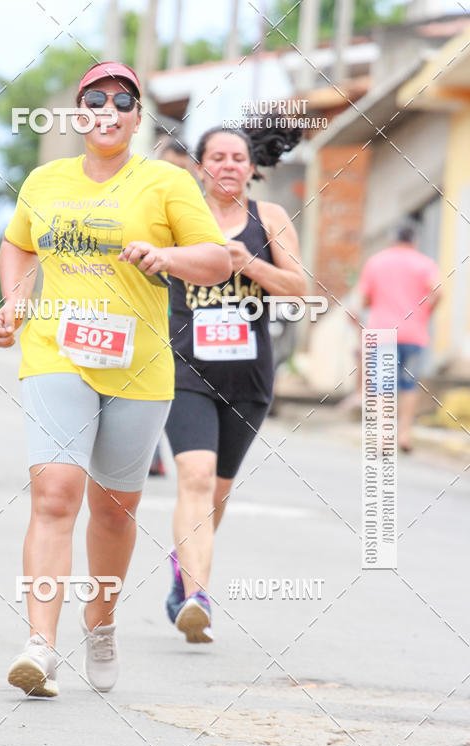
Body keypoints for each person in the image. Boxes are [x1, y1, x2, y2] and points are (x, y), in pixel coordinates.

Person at [0, 61, 231, 696]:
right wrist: (15, 301)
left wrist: (166, 255)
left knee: (114, 511)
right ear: (79, 113)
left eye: (123, 101)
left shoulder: (166, 183)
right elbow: (18, 245)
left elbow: (216, 260)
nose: (108, 110)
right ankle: (41, 645)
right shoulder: (45, 181)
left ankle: (100, 624)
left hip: (138, 365)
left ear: (137, 116)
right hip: (57, 353)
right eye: (95, 99)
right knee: (54, 494)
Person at [164, 124, 307, 642]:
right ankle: (198, 597)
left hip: (248, 376)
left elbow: (299, 289)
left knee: (217, 492)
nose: (228, 165)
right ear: (199, 166)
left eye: (237, 158)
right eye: (217, 157)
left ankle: (182, 570)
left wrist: (248, 263)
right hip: (186, 370)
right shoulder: (178, 216)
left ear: (251, 168)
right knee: (196, 477)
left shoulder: (269, 219)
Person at [358, 220, 441, 452]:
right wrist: (426, 313)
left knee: (383, 385)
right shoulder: (425, 263)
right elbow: (438, 291)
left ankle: (384, 437)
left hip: (383, 331)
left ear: (392, 239)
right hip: (413, 334)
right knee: (408, 385)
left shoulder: (376, 262)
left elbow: (364, 299)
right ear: (414, 240)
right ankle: (404, 435)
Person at [148, 137, 195, 478]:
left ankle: (155, 453)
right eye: (169, 166)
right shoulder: (137, 199)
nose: (174, 174)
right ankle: (150, 454)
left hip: (180, 314)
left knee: (169, 383)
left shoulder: (190, 207)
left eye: (181, 169)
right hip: (141, 309)